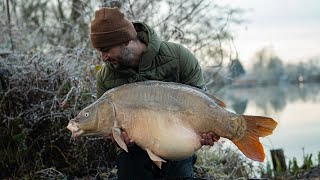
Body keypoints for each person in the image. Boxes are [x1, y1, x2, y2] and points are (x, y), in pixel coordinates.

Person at [90, 7, 220, 179]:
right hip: (133, 150)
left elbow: (202, 104)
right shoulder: (105, 77)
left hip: (177, 143)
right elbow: (106, 125)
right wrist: (116, 137)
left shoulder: (179, 57)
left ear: (126, 41)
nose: (103, 58)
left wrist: (207, 131)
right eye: (100, 51)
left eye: (106, 50)